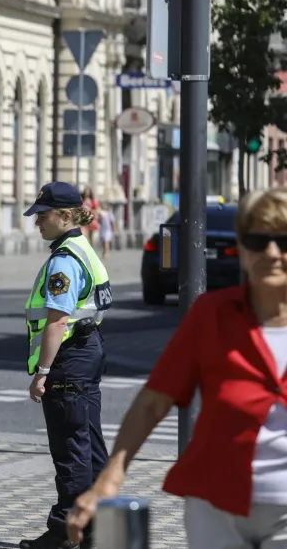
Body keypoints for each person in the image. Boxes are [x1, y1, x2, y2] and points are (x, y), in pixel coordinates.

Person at [66, 187, 287, 548]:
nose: (273, 253)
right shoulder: (211, 315)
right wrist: (107, 482)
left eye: (284, 241)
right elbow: (153, 403)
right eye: (259, 241)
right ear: (243, 249)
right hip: (215, 506)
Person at [18, 181, 112, 549]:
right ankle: (98, 529)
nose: (37, 222)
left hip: (69, 358)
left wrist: (42, 373)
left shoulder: (65, 260)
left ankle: (65, 533)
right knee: (89, 446)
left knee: (71, 449)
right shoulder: (82, 249)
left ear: (65, 215)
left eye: (43, 216)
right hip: (88, 350)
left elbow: (57, 321)